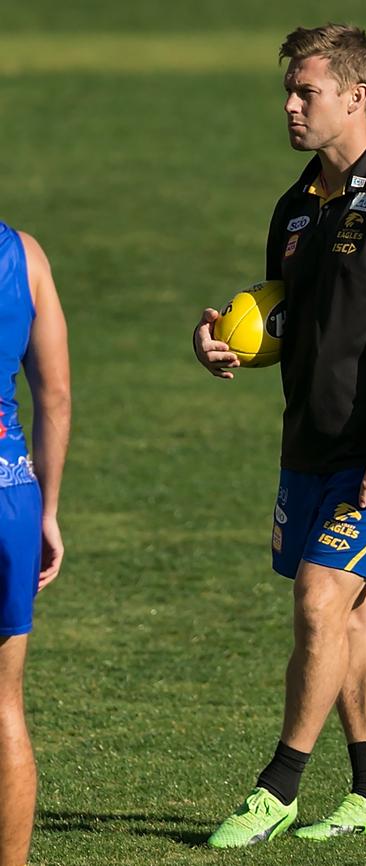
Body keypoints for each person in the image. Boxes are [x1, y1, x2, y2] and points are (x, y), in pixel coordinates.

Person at [193, 23, 366, 848]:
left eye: (306, 91)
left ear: (357, 96)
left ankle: (279, 787)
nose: (291, 105)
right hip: (308, 445)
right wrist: (225, 341)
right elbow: (291, 325)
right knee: (350, 621)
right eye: (291, 90)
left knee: (318, 603)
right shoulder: (296, 207)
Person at [0, 225, 70, 866]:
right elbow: (55, 393)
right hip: (10, 496)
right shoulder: (23, 254)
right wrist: (46, 510)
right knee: (5, 706)